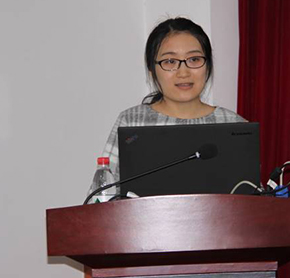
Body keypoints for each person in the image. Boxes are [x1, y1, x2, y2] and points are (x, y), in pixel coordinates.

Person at [99, 17, 246, 186]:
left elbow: (253, 195)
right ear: (152, 70)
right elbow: (102, 194)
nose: (183, 72)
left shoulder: (235, 125)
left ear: (208, 66)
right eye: (170, 62)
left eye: (194, 59)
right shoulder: (132, 121)